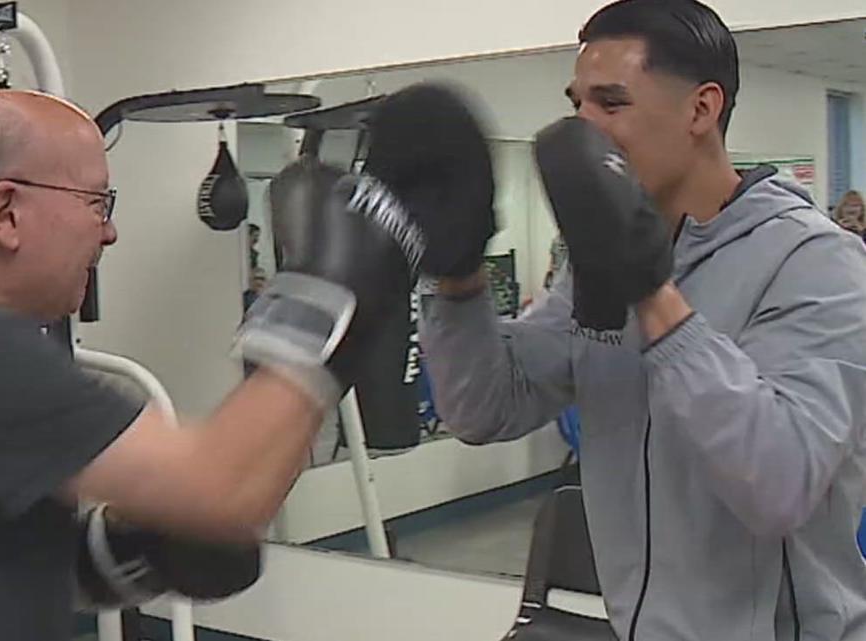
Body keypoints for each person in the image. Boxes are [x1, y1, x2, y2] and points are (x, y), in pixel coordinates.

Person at [0, 88, 446, 641]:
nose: (109, 228)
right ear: (5, 212)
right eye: (96, 201)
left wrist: (104, 555)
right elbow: (226, 488)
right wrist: (334, 288)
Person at [352, 2, 866, 640]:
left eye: (611, 103)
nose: (585, 129)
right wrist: (458, 280)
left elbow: (781, 485)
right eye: (579, 105)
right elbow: (488, 409)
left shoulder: (817, 263)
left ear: (701, 110)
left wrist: (654, 296)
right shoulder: (590, 267)